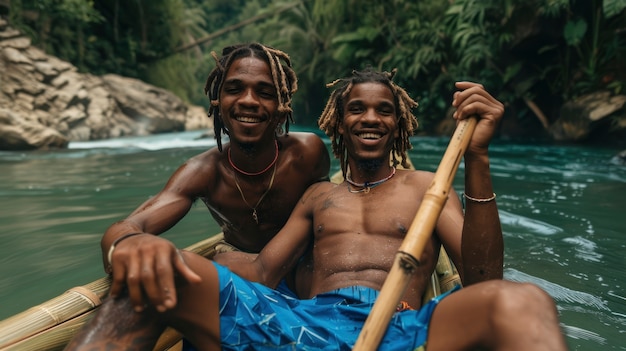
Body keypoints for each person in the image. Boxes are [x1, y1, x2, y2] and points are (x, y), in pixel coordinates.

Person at [65, 68, 568, 351]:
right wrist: (178, 256)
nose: (371, 117)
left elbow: (483, 280)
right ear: (338, 124)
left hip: (404, 325)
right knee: (151, 275)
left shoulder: (427, 188)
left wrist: (477, 156)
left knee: (523, 300)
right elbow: (263, 271)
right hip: (308, 325)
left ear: (398, 125)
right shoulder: (316, 198)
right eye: (357, 109)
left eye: (384, 110)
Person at [100, 42, 330, 312]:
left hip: (304, 268)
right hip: (240, 273)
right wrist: (126, 244)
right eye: (234, 90)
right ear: (217, 101)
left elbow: (330, 212)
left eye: (264, 92)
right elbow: (127, 226)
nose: (248, 101)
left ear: (281, 106)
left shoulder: (307, 153)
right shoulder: (203, 172)